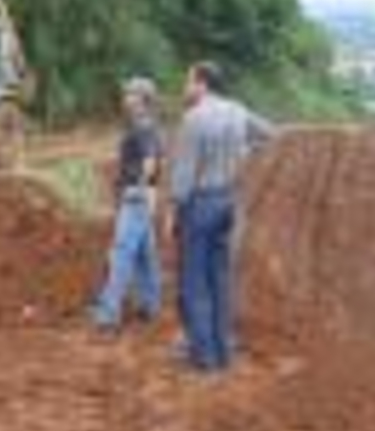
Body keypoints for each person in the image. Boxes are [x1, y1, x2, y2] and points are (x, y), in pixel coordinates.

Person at [168, 61, 275, 372]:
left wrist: (173, 210)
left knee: (194, 281)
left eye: (188, 81)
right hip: (229, 199)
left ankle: (203, 358)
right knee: (220, 278)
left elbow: (185, 173)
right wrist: (244, 150)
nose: (185, 87)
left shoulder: (194, 118)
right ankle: (224, 352)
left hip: (200, 203)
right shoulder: (238, 111)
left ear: (201, 84)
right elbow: (270, 133)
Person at [91, 77, 164, 333]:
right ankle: (150, 306)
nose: (125, 98)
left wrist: (139, 190)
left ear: (142, 99)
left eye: (130, 94)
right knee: (146, 255)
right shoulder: (146, 125)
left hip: (136, 196)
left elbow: (150, 161)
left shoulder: (143, 127)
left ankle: (108, 315)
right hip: (144, 196)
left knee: (121, 254)